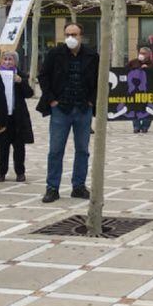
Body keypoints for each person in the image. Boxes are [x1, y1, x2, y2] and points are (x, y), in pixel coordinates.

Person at [38, 22, 99, 203]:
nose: (71, 38)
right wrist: (52, 100)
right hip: (61, 109)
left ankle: (78, 186)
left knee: (82, 149)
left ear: (81, 36)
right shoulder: (55, 54)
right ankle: (52, 187)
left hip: (82, 108)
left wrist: (90, 101)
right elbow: (43, 76)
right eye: (67, 34)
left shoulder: (92, 55)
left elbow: (99, 80)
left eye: (74, 34)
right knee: (55, 150)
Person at [0, 51, 34, 183]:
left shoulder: (21, 74)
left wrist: (21, 81)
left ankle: (20, 172)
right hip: (3, 116)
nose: (7, 62)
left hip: (18, 116)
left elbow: (29, 93)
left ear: (15, 61)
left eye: (10, 59)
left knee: (19, 146)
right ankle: (1, 172)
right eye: (4, 59)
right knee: (3, 147)